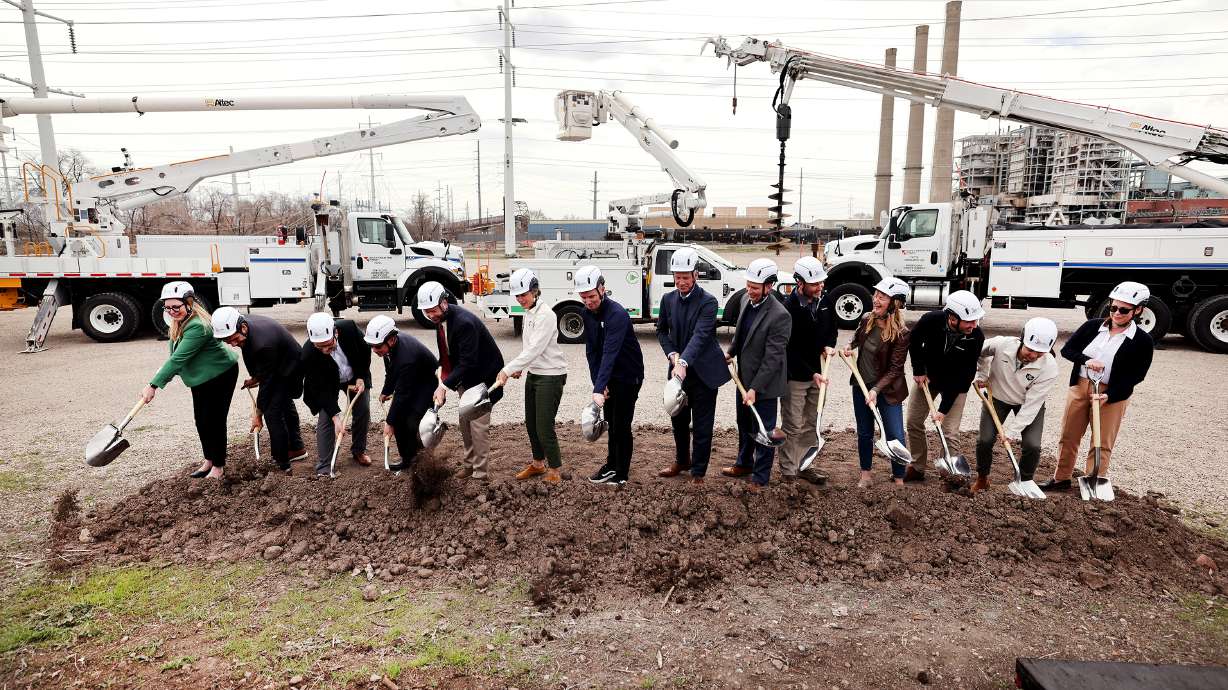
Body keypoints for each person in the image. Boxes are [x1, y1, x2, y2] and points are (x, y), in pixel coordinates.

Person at [1042, 281, 1155, 491]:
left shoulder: (1142, 341)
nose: (1117, 313)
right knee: (1069, 436)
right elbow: (1068, 350)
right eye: (1113, 307)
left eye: (1124, 310)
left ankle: (1094, 482)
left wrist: (1110, 395)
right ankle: (1061, 479)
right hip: (1080, 387)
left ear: (1138, 310)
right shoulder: (1092, 327)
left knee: (1101, 442)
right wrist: (1086, 360)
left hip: (1111, 395)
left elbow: (1137, 375)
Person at [142, 281, 239, 480]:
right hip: (201, 377)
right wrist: (164, 372)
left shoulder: (198, 326)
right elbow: (176, 355)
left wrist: (153, 385)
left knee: (215, 420)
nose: (171, 312)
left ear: (189, 302)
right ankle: (209, 460)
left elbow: (178, 359)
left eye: (175, 307)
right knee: (201, 420)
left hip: (220, 374)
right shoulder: (179, 322)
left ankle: (218, 467)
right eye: (167, 308)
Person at [655, 248, 731, 485]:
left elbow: (700, 335)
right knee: (677, 420)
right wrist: (672, 354)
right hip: (678, 372)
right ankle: (682, 461)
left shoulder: (708, 302)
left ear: (696, 275)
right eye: (677, 277)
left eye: (686, 277)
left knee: (702, 425)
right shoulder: (668, 300)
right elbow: (661, 331)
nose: (681, 282)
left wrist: (684, 361)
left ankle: (698, 471)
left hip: (704, 373)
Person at [421, 281, 505, 481]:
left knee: (478, 428)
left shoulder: (464, 323)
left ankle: (480, 473)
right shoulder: (440, 321)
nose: (430, 315)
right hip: (466, 381)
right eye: (426, 312)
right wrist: (441, 380)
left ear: (443, 303)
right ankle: (468, 466)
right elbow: (447, 354)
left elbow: (468, 362)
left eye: (432, 310)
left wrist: (445, 386)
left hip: (484, 382)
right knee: (465, 425)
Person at [721, 258, 791, 491]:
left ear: (769, 286)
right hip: (744, 378)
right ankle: (744, 464)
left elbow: (773, 359)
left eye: (754, 286)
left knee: (764, 430)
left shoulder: (780, 316)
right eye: (748, 284)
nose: (749, 290)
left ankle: (760, 478)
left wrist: (754, 389)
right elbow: (741, 334)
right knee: (744, 424)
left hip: (766, 384)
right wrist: (731, 352)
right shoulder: (745, 300)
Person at [496, 269, 568, 484]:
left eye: (524, 295)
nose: (520, 299)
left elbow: (535, 348)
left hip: (551, 375)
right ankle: (538, 464)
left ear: (535, 291)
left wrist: (507, 370)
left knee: (544, 425)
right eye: (517, 296)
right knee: (531, 423)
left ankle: (555, 468)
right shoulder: (528, 313)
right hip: (535, 373)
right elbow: (529, 348)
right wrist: (520, 367)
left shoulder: (546, 315)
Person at [903, 290, 985, 482]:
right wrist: (918, 369)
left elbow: (965, 376)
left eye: (975, 321)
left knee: (949, 431)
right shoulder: (931, 320)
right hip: (929, 378)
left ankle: (949, 474)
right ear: (952, 317)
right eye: (969, 321)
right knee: (914, 422)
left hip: (956, 385)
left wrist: (943, 409)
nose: (973, 325)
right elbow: (914, 340)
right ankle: (917, 466)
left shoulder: (976, 336)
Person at [212, 307, 306, 473]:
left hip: (290, 367)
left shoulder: (262, 344)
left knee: (272, 412)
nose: (233, 344)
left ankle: (282, 463)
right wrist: (257, 377)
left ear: (243, 327)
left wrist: (258, 414)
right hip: (277, 362)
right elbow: (261, 365)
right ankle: (296, 449)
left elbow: (268, 385)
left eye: (234, 339)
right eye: (228, 341)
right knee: (283, 403)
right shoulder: (241, 323)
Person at [971, 317, 1060, 494]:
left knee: (1032, 445)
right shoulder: (1001, 344)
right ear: (1022, 339)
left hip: (1027, 403)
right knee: (985, 440)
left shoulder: (1049, 367)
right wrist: (982, 374)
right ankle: (982, 479)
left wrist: (1011, 433)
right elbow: (978, 351)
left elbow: (1032, 404)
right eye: (1031, 349)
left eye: (1040, 353)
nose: (1033, 356)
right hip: (997, 398)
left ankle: (1024, 481)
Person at [576, 265, 645, 485]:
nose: (588, 302)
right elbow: (592, 351)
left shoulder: (617, 314)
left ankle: (621, 473)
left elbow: (610, 352)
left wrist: (598, 388)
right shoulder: (586, 313)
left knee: (621, 424)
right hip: (610, 376)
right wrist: (599, 382)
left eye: (592, 296)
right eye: (584, 297)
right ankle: (611, 464)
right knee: (611, 421)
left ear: (602, 289)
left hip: (628, 375)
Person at [844, 277, 911, 488]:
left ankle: (899, 476)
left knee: (894, 434)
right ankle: (865, 474)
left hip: (888, 390)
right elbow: (857, 338)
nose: (876, 300)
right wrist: (849, 346)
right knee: (864, 431)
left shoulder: (902, 334)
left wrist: (875, 390)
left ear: (894, 303)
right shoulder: (866, 319)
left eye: (882, 297)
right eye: (876, 295)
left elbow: (895, 370)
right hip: (861, 386)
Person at [779, 256, 838, 485]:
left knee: (811, 423)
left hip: (818, 373)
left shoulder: (825, 301)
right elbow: (787, 348)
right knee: (793, 424)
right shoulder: (788, 308)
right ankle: (788, 471)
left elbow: (832, 329)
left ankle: (803, 464)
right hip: (795, 376)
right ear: (799, 283)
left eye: (821, 282)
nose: (820, 287)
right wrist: (810, 372)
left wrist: (828, 345)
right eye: (815, 284)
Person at [301, 312, 372, 477]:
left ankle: (358, 451)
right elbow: (320, 389)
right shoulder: (309, 354)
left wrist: (361, 376)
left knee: (363, 409)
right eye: (320, 347)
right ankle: (324, 467)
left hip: (354, 375)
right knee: (326, 419)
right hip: (327, 383)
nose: (325, 350)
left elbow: (364, 351)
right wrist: (335, 417)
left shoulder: (349, 328)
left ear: (336, 333)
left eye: (328, 344)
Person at [365, 315, 438, 471]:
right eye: (372, 346)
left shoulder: (407, 357)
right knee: (399, 420)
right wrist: (386, 391)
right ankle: (407, 460)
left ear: (391, 340)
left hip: (426, 385)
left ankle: (423, 461)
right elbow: (391, 373)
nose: (374, 350)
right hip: (411, 380)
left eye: (377, 347)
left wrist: (389, 423)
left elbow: (403, 394)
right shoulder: (389, 349)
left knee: (413, 423)